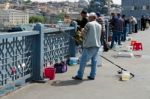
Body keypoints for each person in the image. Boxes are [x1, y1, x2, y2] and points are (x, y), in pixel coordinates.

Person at [72, 12, 102, 80]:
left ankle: (79, 75)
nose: (88, 18)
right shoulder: (99, 25)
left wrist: (82, 30)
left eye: (89, 17)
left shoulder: (89, 24)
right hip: (97, 45)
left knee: (83, 61)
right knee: (94, 61)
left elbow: (83, 34)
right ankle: (92, 76)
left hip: (89, 46)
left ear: (92, 17)